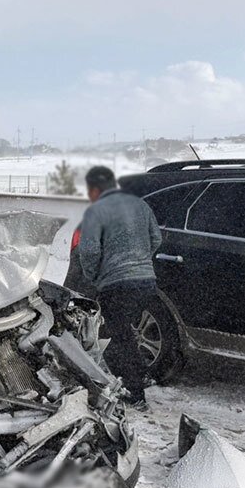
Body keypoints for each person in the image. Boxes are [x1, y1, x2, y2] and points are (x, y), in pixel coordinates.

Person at [75, 165, 162, 407]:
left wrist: (94, 277)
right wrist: (140, 261)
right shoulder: (140, 205)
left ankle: (134, 394)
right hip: (147, 283)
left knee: (114, 338)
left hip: (116, 284)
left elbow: (89, 250)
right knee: (126, 333)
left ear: (94, 189)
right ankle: (140, 375)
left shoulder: (96, 211)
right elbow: (157, 238)